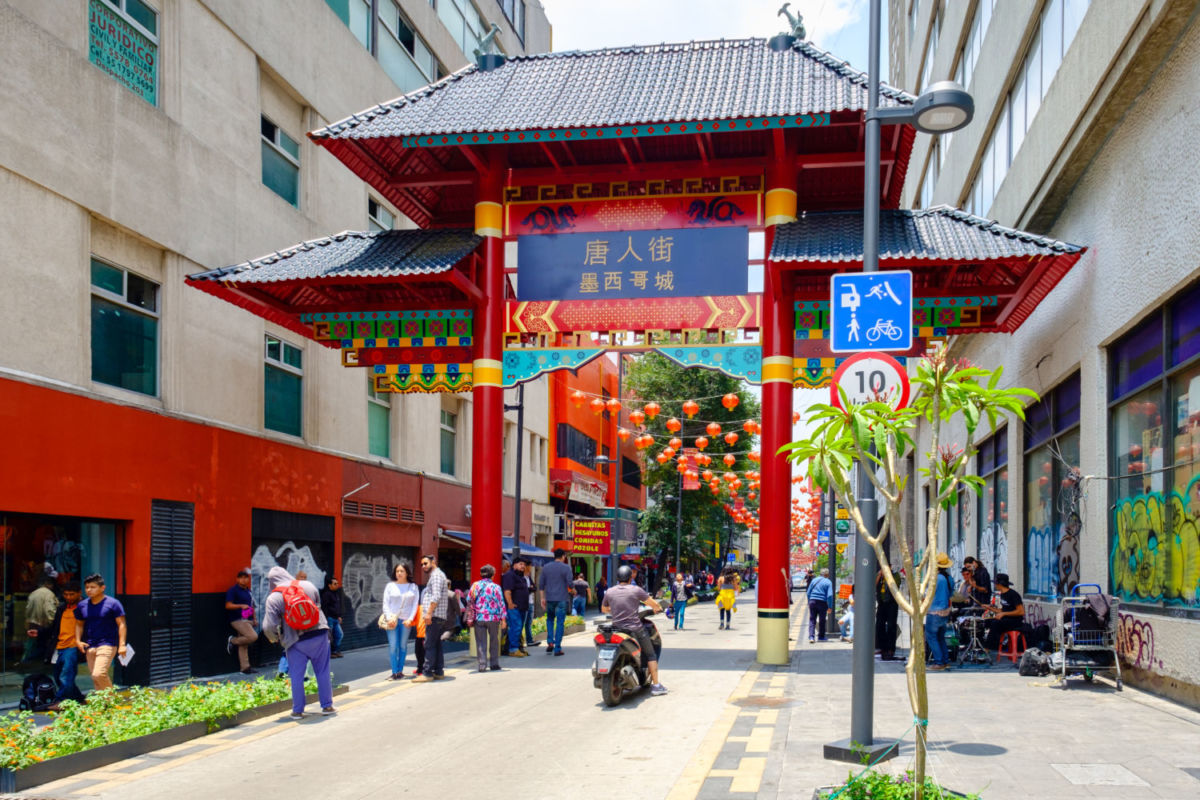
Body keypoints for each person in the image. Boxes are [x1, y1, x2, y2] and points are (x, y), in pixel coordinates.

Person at [262, 566, 334, 718]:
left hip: (295, 640)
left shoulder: (273, 598)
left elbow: (268, 626)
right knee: (322, 671)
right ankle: (327, 706)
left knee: (296, 676)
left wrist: (275, 638)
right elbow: (317, 607)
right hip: (319, 634)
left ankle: (298, 710)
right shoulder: (308, 585)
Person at [602, 565, 667, 696]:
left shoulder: (610, 591)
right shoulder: (636, 590)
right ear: (630, 576)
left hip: (617, 629)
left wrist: (613, 610)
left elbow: (604, 609)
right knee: (651, 654)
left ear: (618, 577)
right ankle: (656, 685)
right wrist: (658, 607)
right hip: (635, 629)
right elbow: (652, 603)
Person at [74, 573, 126, 692]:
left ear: (102, 588)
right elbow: (79, 624)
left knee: (98, 674)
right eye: (87, 587)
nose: (89, 590)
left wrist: (122, 644)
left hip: (107, 644)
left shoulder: (113, 604)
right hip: (90, 645)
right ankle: (104, 705)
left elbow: (121, 624)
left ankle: (112, 700)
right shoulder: (82, 605)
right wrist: (78, 640)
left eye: (93, 587)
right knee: (95, 679)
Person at [413, 553, 449, 682]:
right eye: (422, 564)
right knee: (436, 644)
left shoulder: (436, 576)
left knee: (429, 644)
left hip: (434, 616)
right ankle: (438, 671)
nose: (423, 566)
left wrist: (428, 613)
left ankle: (427, 673)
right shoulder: (437, 575)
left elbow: (436, 596)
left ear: (433, 562)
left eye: (425, 563)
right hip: (437, 616)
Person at [381, 561, 419, 680]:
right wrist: (388, 618)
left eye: (402, 571)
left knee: (402, 646)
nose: (399, 573)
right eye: (397, 571)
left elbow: (415, 605)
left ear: (407, 572)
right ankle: (394, 672)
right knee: (393, 646)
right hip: (392, 620)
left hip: (406, 621)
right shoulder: (390, 586)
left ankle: (400, 671)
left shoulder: (413, 587)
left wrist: (410, 619)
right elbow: (385, 604)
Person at [47, 582, 84, 703]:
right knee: (58, 676)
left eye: (72, 594)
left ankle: (60, 701)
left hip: (73, 646)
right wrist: (39, 631)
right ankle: (78, 698)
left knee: (66, 676)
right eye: (66, 594)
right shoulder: (61, 608)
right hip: (60, 646)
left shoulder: (84, 608)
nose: (68, 597)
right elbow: (54, 627)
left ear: (79, 593)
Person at [468, 564, 507, 672]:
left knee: (481, 642)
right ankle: (494, 664)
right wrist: (503, 620)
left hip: (479, 617)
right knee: (494, 641)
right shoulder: (496, 587)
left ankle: (482, 665)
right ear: (492, 575)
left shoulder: (475, 586)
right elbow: (501, 604)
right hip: (493, 618)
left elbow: (469, 599)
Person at [224, 568, 259, 674]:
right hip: (237, 620)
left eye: (246, 578)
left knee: (244, 644)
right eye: (241, 578)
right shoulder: (233, 590)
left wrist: (255, 618)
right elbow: (228, 605)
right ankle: (232, 641)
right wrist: (240, 606)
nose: (243, 580)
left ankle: (245, 668)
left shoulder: (249, 591)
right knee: (253, 637)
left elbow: (252, 606)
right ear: (237, 579)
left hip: (248, 619)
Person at [539, 549, 573, 656]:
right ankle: (557, 648)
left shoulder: (546, 567)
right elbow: (570, 583)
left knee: (549, 620)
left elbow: (541, 584)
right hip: (562, 598)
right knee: (559, 622)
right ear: (563, 556)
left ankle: (550, 642)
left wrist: (542, 598)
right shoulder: (566, 567)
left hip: (549, 598)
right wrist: (573, 590)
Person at [926, 553, 954, 670]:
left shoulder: (936, 578)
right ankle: (945, 661)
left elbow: (927, 594)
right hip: (945, 611)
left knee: (931, 637)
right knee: (941, 637)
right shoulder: (949, 578)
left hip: (934, 612)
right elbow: (952, 593)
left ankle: (939, 662)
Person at [984, 573, 1026, 651]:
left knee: (995, 624)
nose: (995, 585)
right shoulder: (1002, 594)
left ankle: (988, 648)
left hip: (1015, 621)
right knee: (987, 622)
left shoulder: (1013, 594)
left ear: (1000, 584)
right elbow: (1003, 610)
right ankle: (984, 644)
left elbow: (1021, 612)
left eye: (996, 583)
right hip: (1006, 618)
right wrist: (989, 608)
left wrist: (1003, 614)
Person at [24, 575, 58, 662]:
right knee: (42, 646)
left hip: (32, 622)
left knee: (31, 646)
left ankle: (26, 661)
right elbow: (50, 610)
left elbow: (27, 609)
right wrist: (54, 622)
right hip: (43, 624)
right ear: (48, 584)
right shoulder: (49, 594)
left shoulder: (33, 593)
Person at [501, 558, 531, 657]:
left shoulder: (522, 577)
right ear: (514, 565)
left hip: (523, 608)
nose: (523, 566)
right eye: (520, 564)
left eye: (524, 564)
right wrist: (510, 603)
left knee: (518, 628)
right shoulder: (509, 575)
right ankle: (513, 649)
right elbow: (507, 591)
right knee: (515, 627)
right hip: (514, 608)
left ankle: (517, 648)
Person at [875, 567, 900, 660]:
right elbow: (874, 585)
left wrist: (887, 576)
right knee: (879, 625)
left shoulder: (895, 575)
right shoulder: (879, 576)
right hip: (882, 603)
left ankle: (890, 649)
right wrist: (879, 575)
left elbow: (895, 586)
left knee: (891, 626)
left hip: (892, 603)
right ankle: (882, 647)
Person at [320, 575, 346, 658]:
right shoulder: (326, 595)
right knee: (328, 637)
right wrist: (326, 619)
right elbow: (324, 607)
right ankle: (329, 653)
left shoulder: (336, 594)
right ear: (329, 585)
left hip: (335, 619)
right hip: (330, 619)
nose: (337, 585)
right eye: (335, 584)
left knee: (339, 635)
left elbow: (337, 607)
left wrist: (339, 616)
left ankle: (334, 651)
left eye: (337, 583)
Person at [806, 568, 833, 643]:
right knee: (822, 620)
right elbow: (830, 595)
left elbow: (808, 593)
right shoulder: (828, 582)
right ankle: (821, 637)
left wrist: (809, 602)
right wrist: (830, 606)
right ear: (827, 574)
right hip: (822, 602)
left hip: (812, 601)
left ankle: (811, 637)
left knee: (812, 619)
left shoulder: (814, 580)